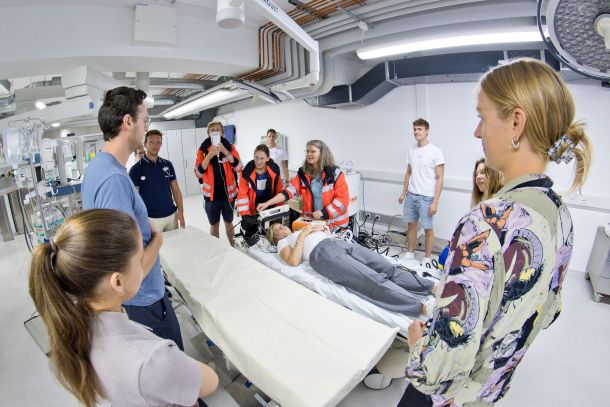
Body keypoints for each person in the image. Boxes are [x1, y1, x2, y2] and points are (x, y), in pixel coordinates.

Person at [399, 58, 591, 407]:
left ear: (516, 122)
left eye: (482, 117)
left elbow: (438, 366)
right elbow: (548, 312)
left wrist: (417, 347)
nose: (477, 132)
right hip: (488, 393)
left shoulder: (486, 222)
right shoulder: (560, 216)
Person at [29, 209, 218, 407]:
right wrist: (179, 364)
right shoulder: (153, 360)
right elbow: (210, 381)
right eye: (140, 259)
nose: (143, 263)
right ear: (117, 282)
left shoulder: (76, 330)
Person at [82, 87, 184, 349]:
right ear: (128, 122)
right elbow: (128, 273)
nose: (146, 128)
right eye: (145, 121)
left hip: (139, 299)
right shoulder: (114, 180)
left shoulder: (100, 167)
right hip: (142, 301)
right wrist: (157, 240)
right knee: (170, 368)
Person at [267, 222, 437, 317]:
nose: (281, 227)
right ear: (274, 237)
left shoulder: (299, 228)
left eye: (281, 225)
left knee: (384, 266)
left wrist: (322, 228)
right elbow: (293, 261)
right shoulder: (283, 242)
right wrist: (303, 235)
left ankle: (431, 286)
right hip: (322, 254)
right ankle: (419, 307)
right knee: (369, 279)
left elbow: (325, 228)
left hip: (336, 242)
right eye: (276, 229)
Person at [257, 139, 350, 230]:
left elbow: (342, 201)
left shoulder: (335, 174)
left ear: (322, 153)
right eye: (307, 151)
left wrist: (324, 213)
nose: (309, 154)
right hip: (313, 222)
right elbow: (288, 192)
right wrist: (267, 203)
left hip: (335, 225)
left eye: (313, 151)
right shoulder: (303, 173)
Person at [398, 118, 445, 268]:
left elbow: (440, 178)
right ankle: (410, 254)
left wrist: (435, 201)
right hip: (411, 195)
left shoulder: (436, 151)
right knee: (411, 226)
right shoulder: (411, 150)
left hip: (427, 197)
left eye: (419, 129)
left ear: (427, 131)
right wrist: (403, 192)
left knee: (428, 229)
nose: (416, 132)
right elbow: (408, 173)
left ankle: (427, 258)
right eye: (415, 129)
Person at [194, 121, 242, 246]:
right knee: (214, 224)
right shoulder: (203, 149)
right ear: (209, 134)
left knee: (229, 222)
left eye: (218, 130)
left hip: (228, 196)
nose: (215, 132)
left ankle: (233, 246)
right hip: (211, 198)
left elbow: (239, 167)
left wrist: (226, 152)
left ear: (222, 133)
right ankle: (217, 249)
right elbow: (198, 173)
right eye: (212, 130)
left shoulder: (230, 147)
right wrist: (208, 156)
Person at [130, 129, 185, 231]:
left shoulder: (167, 164)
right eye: (151, 142)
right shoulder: (136, 169)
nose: (155, 145)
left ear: (161, 144)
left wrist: (181, 212)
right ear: (145, 144)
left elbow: (176, 190)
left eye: (158, 142)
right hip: (151, 219)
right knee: (156, 242)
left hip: (171, 217)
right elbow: (134, 199)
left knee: (176, 242)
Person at [236, 144, 282, 217]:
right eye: (256, 157)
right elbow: (242, 196)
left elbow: (279, 191)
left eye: (262, 158)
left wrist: (279, 210)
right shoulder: (246, 172)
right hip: (253, 208)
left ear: (267, 158)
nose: (258, 161)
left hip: (270, 205)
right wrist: (245, 216)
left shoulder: (275, 170)